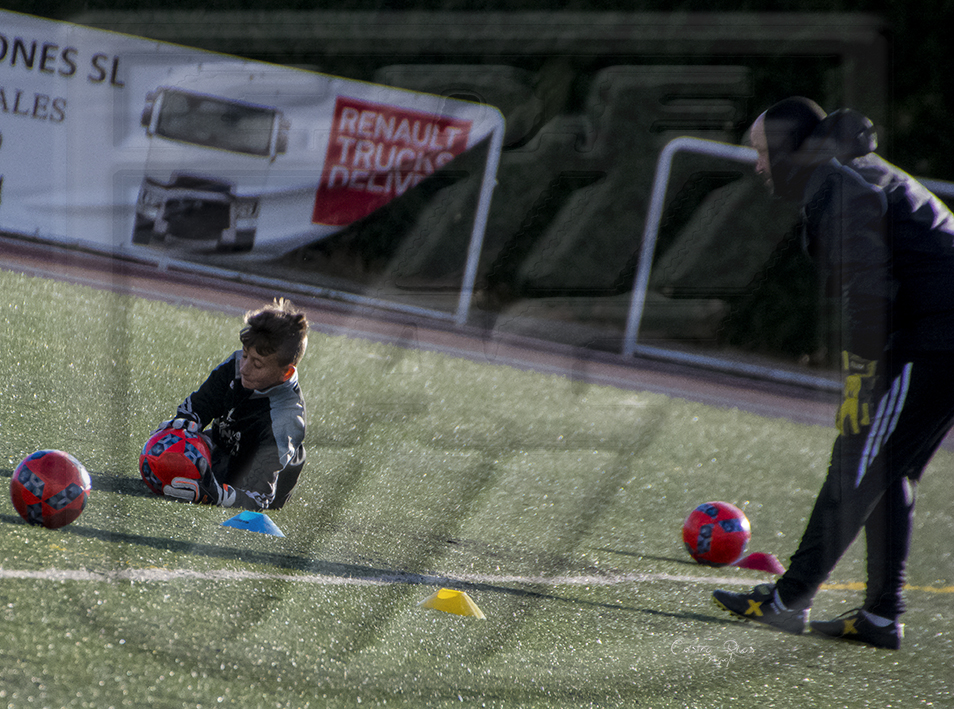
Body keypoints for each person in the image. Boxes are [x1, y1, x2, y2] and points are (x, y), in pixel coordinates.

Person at [712, 97, 954, 649]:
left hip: (939, 335)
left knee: (857, 458)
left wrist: (860, 378)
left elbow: (867, 288)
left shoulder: (837, 181)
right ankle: (880, 616)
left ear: (788, 149)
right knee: (889, 469)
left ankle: (788, 600)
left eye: (762, 152)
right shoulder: (847, 170)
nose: (758, 165)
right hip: (935, 332)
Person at [157, 297, 308, 511]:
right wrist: (184, 424)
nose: (244, 368)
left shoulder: (287, 417)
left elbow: (260, 495)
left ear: (286, 373)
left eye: (257, 364)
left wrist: (217, 495)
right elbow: (200, 405)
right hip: (226, 448)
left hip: (254, 478)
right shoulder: (237, 364)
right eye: (245, 355)